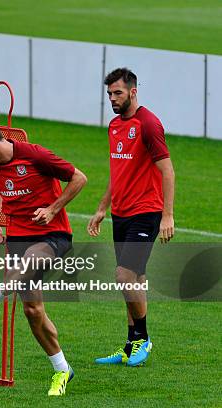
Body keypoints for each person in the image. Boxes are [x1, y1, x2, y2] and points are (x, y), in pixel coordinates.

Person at [0, 117, 87, 396]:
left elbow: (80, 178)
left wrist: (53, 209)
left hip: (52, 234)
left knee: (31, 259)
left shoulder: (35, 154)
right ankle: (62, 369)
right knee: (33, 311)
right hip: (18, 236)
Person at [88, 67, 175, 366]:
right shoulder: (114, 126)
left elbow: (167, 170)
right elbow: (119, 172)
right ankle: (129, 346)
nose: (112, 98)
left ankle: (144, 339)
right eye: (109, 93)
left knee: (124, 276)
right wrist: (102, 208)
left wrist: (167, 216)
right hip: (121, 214)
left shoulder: (148, 124)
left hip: (146, 212)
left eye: (118, 93)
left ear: (133, 92)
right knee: (134, 280)